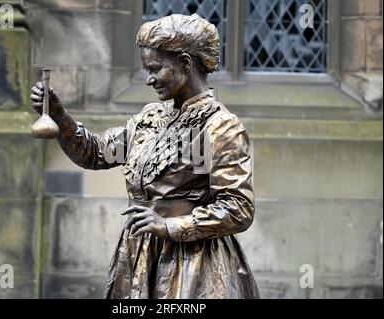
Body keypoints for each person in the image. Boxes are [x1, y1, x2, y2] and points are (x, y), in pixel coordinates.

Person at [31, 13, 259, 299]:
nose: (149, 80)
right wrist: (60, 116)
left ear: (185, 64)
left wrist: (170, 226)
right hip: (139, 257)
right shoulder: (149, 118)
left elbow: (238, 208)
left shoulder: (221, 126)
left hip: (193, 267)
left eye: (155, 69)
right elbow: (96, 153)